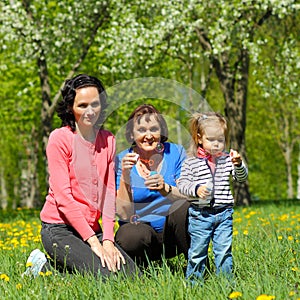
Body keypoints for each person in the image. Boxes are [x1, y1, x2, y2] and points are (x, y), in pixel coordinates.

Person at [23, 74, 139, 279]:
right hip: (59, 229)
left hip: (93, 229)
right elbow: (64, 199)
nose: (90, 111)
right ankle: (41, 267)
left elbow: (109, 193)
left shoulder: (108, 140)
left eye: (95, 104)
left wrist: (108, 241)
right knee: (107, 276)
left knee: (132, 276)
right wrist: (94, 243)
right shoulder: (60, 139)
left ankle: (62, 266)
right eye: (82, 105)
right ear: (70, 107)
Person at [114, 104, 190, 267]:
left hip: (175, 235)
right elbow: (123, 214)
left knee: (184, 207)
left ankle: (197, 267)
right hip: (143, 235)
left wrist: (166, 189)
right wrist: (125, 176)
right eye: (141, 130)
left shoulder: (175, 152)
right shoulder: (122, 160)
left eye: (154, 129)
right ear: (132, 134)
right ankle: (140, 271)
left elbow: (189, 194)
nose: (148, 136)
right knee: (129, 234)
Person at [177, 112, 248, 282]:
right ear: (199, 138)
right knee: (197, 252)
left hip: (224, 214)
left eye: (221, 140)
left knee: (223, 250)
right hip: (200, 215)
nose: (216, 144)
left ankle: (225, 283)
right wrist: (196, 189)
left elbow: (241, 178)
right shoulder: (191, 161)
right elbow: (182, 184)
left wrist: (238, 164)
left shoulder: (227, 160)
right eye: (211, 140)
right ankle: (194, 284)